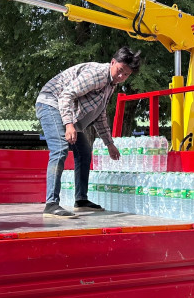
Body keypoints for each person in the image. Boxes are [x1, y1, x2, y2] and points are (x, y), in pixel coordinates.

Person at [35, 47, 141, 218]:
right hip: (51, 103)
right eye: (120, 70)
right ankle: (51, 204)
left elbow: (99, 114)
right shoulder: (98, 74)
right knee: (60, 149)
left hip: (65, 110)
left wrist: (109, 144)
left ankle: (81, 200)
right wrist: (69, 124)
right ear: (112, 62)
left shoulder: (111, 85)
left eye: (126, 75)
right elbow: (66, 95)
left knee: (84, 152)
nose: (121, 76)